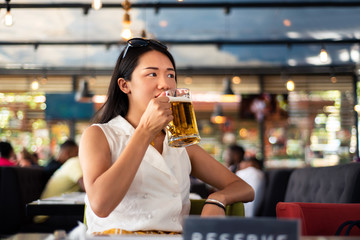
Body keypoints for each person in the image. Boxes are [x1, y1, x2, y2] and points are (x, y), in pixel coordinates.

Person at [79, 38, 254, 235]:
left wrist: (217, 200)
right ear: (124, 85)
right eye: (152, 74)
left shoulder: (180, 141)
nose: (164, 84)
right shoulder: (100, 135)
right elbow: (101, 205)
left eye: (170, 75)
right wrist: (145, 131)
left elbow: (244, 188)